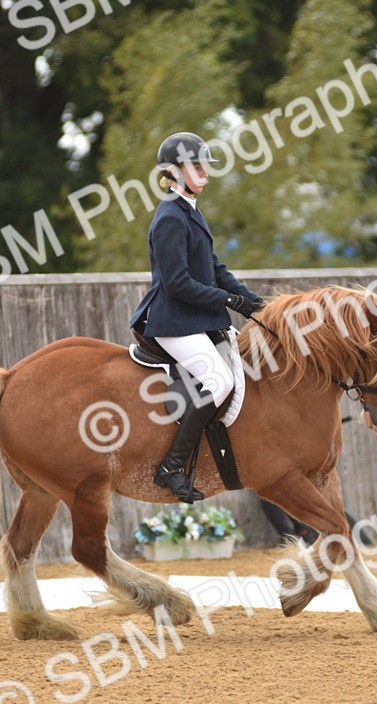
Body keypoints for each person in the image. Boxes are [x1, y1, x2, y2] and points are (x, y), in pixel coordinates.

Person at [130, 131, 264, 503]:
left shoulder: (189, 210)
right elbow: (177, 284)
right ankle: (171, 466)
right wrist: (229, 301)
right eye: (196, 165)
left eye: (205, 165)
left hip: (194, 319)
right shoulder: (170, 217)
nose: (205, 171)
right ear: (173, 171)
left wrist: (254, 302)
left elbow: (214, 267)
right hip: (172, 320)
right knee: (219, 380)